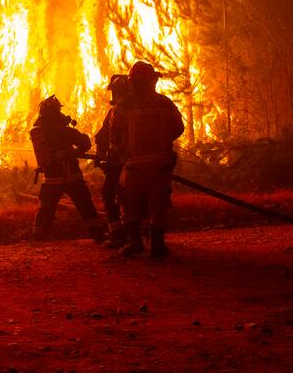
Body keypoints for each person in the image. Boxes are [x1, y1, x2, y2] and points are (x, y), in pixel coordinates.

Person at [110, 61, 184, 258]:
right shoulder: (164, 103)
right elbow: (179, 128)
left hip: (134, 165)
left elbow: (115, 133)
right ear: (152, 81)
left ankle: (135, 244)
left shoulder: (123, 104)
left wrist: (116, 152)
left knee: (128, 202)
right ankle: (157, 246)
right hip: (161, 164)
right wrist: (162, 141)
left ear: (132, 82)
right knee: (158, 203)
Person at [29, 95, 105, 243]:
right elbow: (85, 143)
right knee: (85, 205)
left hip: (50, 179)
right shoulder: (64, 131)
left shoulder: (39, 131)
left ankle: (39, 236)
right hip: (71, 176)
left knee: (46, 208)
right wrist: (74, 151)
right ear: (55, 112)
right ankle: (98, 235)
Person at [95, 75, 130, 248]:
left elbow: (104, 137)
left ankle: (118, 234)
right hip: (141, 162)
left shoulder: (117, 111)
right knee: (139, 197)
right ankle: (143, 234)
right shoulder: (142, 108)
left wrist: (102, 158)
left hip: (120, 164)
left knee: (109, 194)